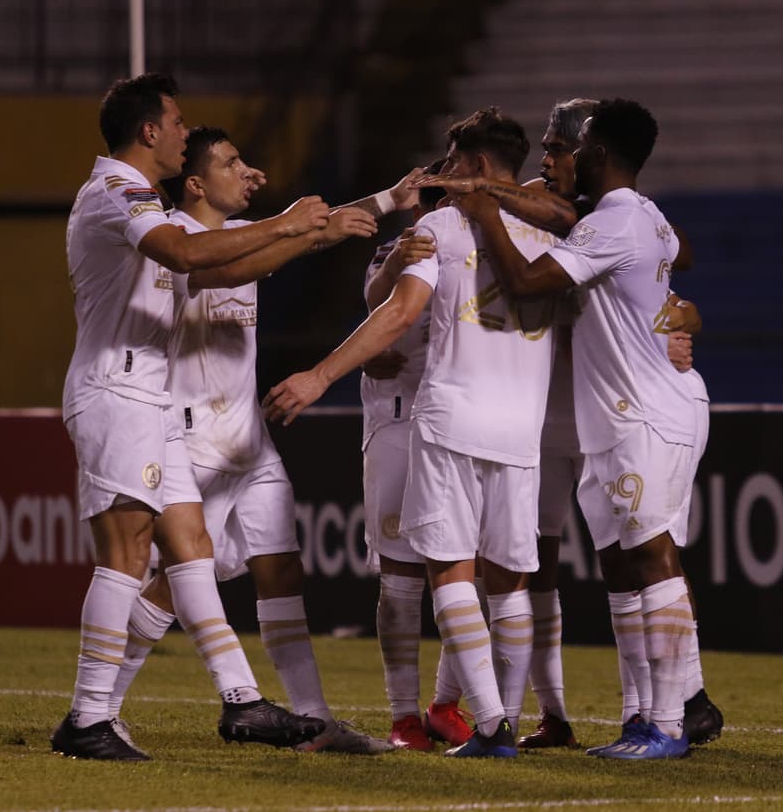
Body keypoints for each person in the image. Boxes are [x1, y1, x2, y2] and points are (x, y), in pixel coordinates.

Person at [100, 125, 413, 754]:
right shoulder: (172, 243)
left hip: (249, 437)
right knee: (175, 582)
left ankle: (314, 720)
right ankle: (99, 706)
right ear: (196, 183)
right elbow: (248, 256)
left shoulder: (234, 236)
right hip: (193, 438)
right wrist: (296, 231)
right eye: (231, 162)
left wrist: (389, 200)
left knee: (281, 568)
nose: (247, 170)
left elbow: (291, 234)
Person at [421, 98, 723, 749]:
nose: (563, 158)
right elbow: (671, 265)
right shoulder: (628, 216)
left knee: (650, 553)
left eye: (574, 147)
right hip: (616, 413)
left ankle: (674, 714)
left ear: (599, 155)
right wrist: (667, 315)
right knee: (623, 562)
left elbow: (530, 281)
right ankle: (649, 714)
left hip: (641, 408)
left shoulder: (610, 222)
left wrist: (481, 211)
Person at [53, 73, 337, 761]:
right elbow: (186, 253)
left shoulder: (143, 200)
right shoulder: (116, 190)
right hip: (117, 390)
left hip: (148, 399)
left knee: (192, 549)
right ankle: (89, 715)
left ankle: (240, 701)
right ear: (149, 131)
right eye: (178, 121)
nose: (186, 131)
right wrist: (286, 222)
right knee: (125, 555)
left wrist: (298, 232)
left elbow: (213, 271)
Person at [263, 107, 561, 759]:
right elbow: (381, 298)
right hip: (477, 425)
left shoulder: (447, 228)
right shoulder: (542, 233)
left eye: (449, 166)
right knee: (477, 578)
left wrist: (319, 375)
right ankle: (437, 714)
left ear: (476, 168)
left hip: (448, 415)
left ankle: (475, 717)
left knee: (452, 572)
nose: (438, 177)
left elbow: (397, 314)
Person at [359, 162, 477, 751]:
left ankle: (444, 705)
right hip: (400, 422)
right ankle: (404, 714)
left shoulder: (482, 250)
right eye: (429, 204)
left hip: (462, 423)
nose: (432, 217)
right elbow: (378, 302)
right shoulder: (394, 253)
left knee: (468, 572)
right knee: (402, 580)